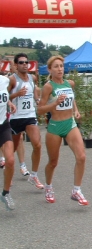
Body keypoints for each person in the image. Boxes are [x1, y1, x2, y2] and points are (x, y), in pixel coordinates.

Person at [36, 56, 88, 206]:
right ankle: (49, 187)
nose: (60, 69)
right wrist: (54, 104)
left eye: (61, 66)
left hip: (70, 124)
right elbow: (39, 110)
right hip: (55, 127)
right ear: (50, 70)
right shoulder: (48, 87)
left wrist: (76, 110)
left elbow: (72, 99)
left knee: (82, 157)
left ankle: (76, 190)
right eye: (56, 66)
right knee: (53, 162)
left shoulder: (69, 83)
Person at [8, 53, 43, 189]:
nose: (24, 64)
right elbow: (5, 97)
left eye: (26, 62)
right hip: (16, 117)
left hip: (29, 115)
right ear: (16, 65)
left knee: (37, 145)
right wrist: (17, 94)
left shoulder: (32, 78)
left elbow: (34, 94)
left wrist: (38, 101)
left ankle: (33, 175)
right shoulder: (12, 79)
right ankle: (9, 174)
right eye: (21, 62)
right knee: (13, 149)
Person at [0, 74, 17, 210]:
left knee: (10, 160)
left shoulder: (5, 80)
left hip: (3, 125)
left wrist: (9, 103)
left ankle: (5, 193)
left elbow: (4, 98)